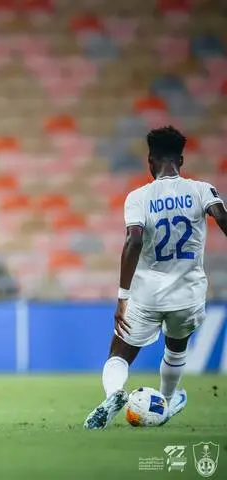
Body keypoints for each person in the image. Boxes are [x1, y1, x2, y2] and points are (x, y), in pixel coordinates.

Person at [84, 126, 227, 429]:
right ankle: (167, 399)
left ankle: (113, 394)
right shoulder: (202, 190)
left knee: (119, 353)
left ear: (151, 160)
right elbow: (223, 218)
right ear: (181, 160)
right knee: (176, 349)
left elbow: (133, 241)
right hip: (188, 294)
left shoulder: (139, 197)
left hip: (147, 293)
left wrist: (122, 297)